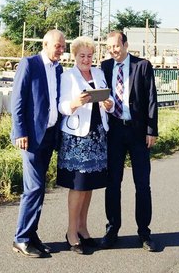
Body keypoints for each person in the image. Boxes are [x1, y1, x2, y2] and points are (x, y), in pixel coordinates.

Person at [100, 30, 159, 251]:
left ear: (125, 44)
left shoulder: (142, 65)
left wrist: (151, 130)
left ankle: (144, 233)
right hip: (114, 132)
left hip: (137, 133)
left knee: (142, 184)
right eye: (109, 47)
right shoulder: (105, 68)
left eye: (116, 46)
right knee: (113, 183)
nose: (113, 50)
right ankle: (112, 229)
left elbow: (152, 99)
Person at [11, 29, 65, 258]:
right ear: (45, 44)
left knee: (40, 189)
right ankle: (21, 238)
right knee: (33, 188)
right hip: (31, 138)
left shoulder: (59, 68)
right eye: (57, 46)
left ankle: (32, 236)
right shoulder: (29, 64)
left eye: (63, 46)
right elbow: (18, 100)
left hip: (50, 136)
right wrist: (20, 132)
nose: (61, 50)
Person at [57, 36, 114, 254]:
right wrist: (74, 103)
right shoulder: (68, 76)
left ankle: (83, 228)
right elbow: (61, 105)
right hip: (78, 137)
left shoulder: (98, 73)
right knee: (78, 185)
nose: (86, 60)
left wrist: (108, 104)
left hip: (98, 136)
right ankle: (71, 232)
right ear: (74, 56)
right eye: (82, 56)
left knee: (89, 186)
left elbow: (109, 100)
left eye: (90, 56)